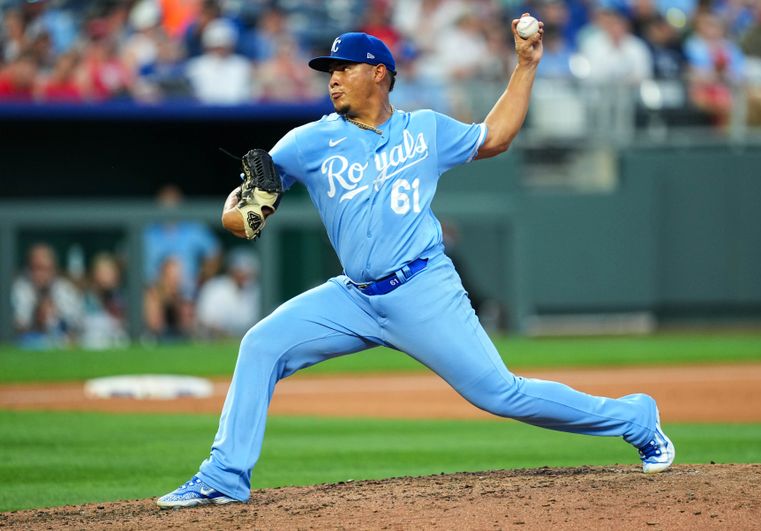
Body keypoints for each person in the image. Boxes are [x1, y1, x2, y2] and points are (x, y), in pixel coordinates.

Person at [157, 15, 675, 509]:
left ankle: (634, 417)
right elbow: (239, 213)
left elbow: (495, 137)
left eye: (343, 69)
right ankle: (224, 477)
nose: (332, 81)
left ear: (378, 73)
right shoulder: (307, 141)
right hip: (353, 297)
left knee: (500, 393)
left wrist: (526, 65)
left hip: (423, 288)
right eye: (328, 72)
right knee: (262, 343)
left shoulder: (424, 130)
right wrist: (241, 208)